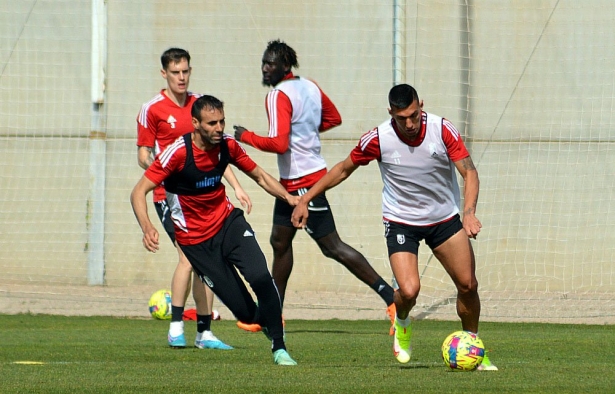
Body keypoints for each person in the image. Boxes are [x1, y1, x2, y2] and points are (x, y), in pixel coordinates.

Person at [291, 83, 498, 371]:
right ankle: (402, 323)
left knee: (467, 284)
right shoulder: (378, 139)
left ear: (421, 105)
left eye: (414, 115)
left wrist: (469, 213)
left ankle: (474, 347)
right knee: (410, 290)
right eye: (402, 118)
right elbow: (343, 168)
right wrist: (305, 200)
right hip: (401, 221)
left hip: (444, 219)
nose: (410, 124)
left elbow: (470, 172)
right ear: (391, 113)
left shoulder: (442, 129)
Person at [233, 39, 396, 333]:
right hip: (297, 180)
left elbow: (279, 143)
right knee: (280, 243)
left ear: (285, 66)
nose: (265, 68)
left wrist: (246, 137)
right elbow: (333, 118)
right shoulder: (311, 86)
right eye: (263, 62)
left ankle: (391, 298)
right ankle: (272, 314)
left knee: (332, 247)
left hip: (302, 183)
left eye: (270, 63)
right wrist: (304, 127)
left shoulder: (277, 95)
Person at [131, 94, 298, 366]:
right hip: (196, 242)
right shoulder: (177, 153)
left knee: (261, 278)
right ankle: (261, 322)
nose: (219, 128)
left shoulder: (227, 146)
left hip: (228, 224)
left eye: (222, 121)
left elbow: (260, 176)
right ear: (195, 123)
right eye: (212, 123)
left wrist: (289, 198)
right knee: (246, 314)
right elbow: (138, 192)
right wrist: (147, 226)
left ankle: (279, 348)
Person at [137, 47, 252, 349]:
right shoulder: (152, 109)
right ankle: (177, 327)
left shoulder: (201, 107)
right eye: (175, 72)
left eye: (186, 71)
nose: (182, 77)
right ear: (164, 73)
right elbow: (143, 154)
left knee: (208, 261)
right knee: (189, 257)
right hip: (170, 197)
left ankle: (204, 332)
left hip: (203, 198)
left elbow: (213, 155)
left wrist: (236, 186)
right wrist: (164, 172)